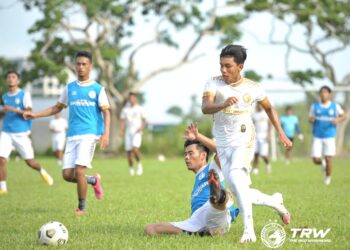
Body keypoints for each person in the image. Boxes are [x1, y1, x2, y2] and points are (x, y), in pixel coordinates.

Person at [201, 44, 292, 243]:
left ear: (240, 67)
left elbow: (269, 108)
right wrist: (222, 104)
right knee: (238, 188)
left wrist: (281, 133)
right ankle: (275, 202)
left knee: (235, 176)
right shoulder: (213, 83)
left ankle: (248, 231)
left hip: (244, 140)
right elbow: (206, 107)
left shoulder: (253, 87)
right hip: (222, 143)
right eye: (221, 66)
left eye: (228, 66)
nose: (223, 70)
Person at [23, 51, 110, 214]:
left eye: (84, 64)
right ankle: (93, 180)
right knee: (67, 175)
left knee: (79, 171)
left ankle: (81, 208)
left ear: (90, 66)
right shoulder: (69, 88)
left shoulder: (98, 89)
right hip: (72, 135)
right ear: (74, 66)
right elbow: (57, 108)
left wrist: (106, 134)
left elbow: (107, 112)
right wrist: (35, 114)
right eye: (78, 64)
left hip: (89, 134)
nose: (81, 67)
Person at [144, 139, 240, 236]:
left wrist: (198, 136)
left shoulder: (212, 168)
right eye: (185, 154)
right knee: (150, 228)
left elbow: (221, 151)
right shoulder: (197, 180)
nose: (186, 157)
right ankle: (201, 233)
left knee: (216, 200)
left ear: (203, 155)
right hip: (196, 220)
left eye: (190, 153)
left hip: (214, 211)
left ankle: (220, 197)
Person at [0, 70, 53, 194]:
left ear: (18, 80)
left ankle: (42, 172)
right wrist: (3, 112)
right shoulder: (4, 96)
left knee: (30, 162)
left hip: (21, 133)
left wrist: (12, 109)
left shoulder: (24, 95)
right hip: (6, 132)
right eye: (8, 77)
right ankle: (3, 188)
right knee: (1, 159)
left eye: (13, 77)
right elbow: (4, 113)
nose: (10, 79)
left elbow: (28, 113)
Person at [308, 86, 346, 185]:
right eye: (322, 92)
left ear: (329, 94)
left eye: (325, 92)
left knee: (328, 158)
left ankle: (328, 178)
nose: (324, 94)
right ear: (320, 94)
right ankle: (322, 163)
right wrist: (311, 119)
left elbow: (344, 116)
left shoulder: (334, 106)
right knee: (315, 160)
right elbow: (310, 118)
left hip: (330, 135)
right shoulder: (315, 106)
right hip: (317, 135)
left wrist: (338, 119)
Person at [119, 92, 146, 176]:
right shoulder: (125, 109)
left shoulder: (140, 109)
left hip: (137, 132)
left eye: (133, 98)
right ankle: (131, 169)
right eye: (130, 98)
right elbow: (122, 121)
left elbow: (144, 120)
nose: (131, 99)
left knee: (135, 149)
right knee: (129, 153)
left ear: (135, 98)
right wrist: (121, 130)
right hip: (128, 132)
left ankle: (139, 164)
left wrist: (141, 128)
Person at [252, 104, 272, 175]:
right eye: (258, 105)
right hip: (256, 136)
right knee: (255, 154)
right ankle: (255, 169)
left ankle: (268, 164)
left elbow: (270, 125)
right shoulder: (254, 114)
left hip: (264, 136)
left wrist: (269, 135)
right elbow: (252, 125)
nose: (260, 106)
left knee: (263, 154)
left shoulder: (266, 114)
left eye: (261, 105)